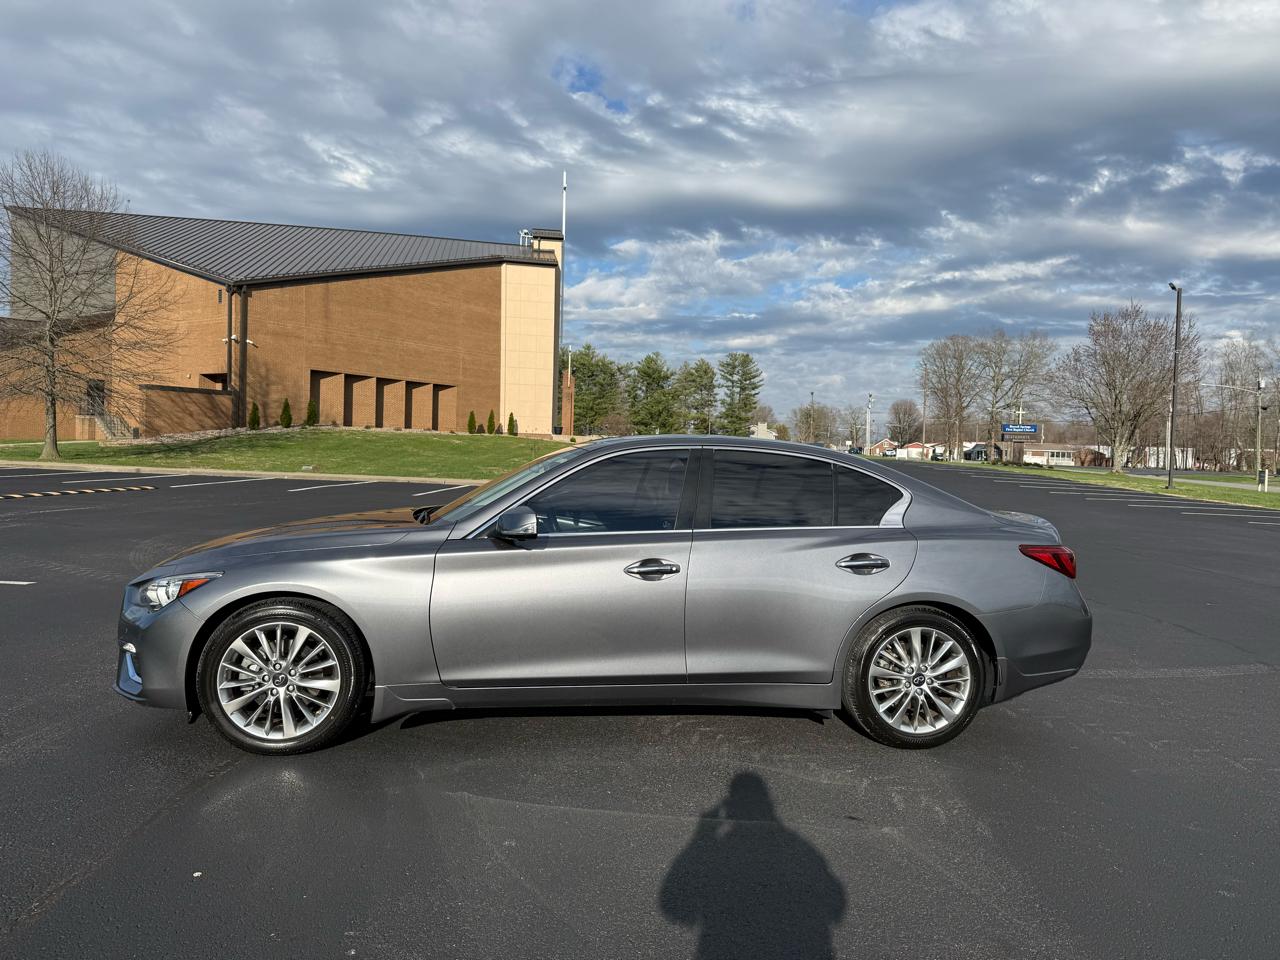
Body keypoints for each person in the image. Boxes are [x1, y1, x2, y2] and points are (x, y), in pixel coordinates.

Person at [659, 771, 846, 959]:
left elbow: (673, 906)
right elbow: (836, 904)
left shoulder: (722, 850)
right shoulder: (799, 847)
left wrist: (702, 836)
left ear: (730, 808)